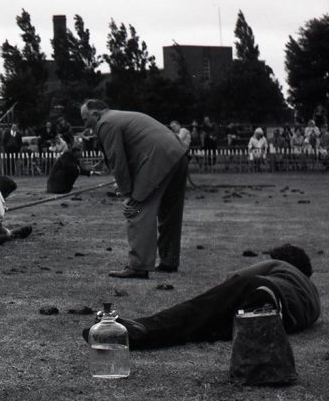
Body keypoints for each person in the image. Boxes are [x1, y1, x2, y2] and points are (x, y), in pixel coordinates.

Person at [84, 244, 319, 349]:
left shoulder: (280, 266)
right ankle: (140, 335)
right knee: (199, 328)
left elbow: (235, 277)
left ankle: (142, 329)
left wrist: (212, 298)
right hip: (283, 319)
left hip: (263, 290)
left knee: (197, 312)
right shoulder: (314, 298)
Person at [81, 99, 189, 279]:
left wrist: (127, 194)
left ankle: (138, 266)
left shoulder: (105, 123)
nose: (85, 124)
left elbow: (118, 160)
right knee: (169, 211)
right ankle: (169, 261)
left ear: (95, 114)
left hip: (157, 159)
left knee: (136, 210)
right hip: (177, 154)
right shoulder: (118, 117)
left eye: (85, 119)